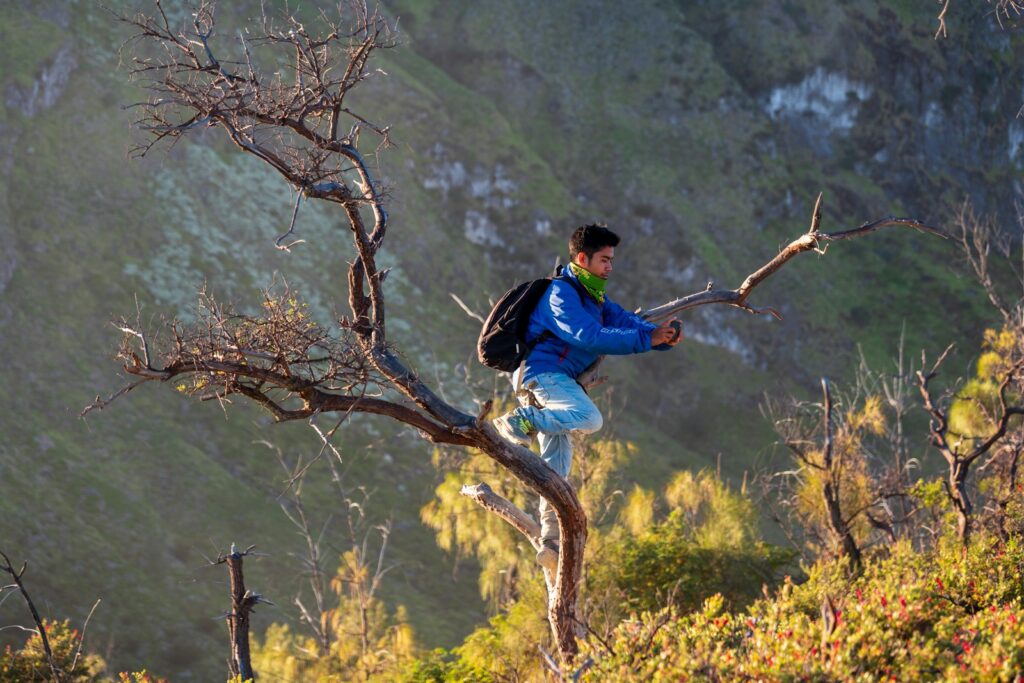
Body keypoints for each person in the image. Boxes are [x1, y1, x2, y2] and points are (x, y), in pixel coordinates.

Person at [493, 224, 682, 572]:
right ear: (583, 258)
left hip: (560, 380)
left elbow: (623, 320)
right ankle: (520, 420)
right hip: (542, 374)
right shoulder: (560, 295)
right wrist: (646, 339)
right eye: (604, 260)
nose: (610, 267)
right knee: (591, 419)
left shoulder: (593, 296)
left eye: (612, 260)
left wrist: (660, 336)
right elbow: (589, 336)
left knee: (554, 471)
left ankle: (550, 541)